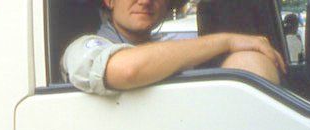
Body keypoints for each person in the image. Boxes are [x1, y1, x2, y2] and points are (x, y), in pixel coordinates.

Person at [63, 0, 286, 96]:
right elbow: (127, 70)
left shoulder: (171, 54)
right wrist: (227, 41)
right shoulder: (82, 48)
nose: (145, 1)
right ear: (109, 1)